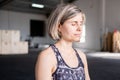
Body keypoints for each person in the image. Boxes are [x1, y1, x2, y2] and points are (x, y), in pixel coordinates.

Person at [35, 3, 90, 80]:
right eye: (73, 24)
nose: (80, 29)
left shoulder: (82, 56)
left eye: (81, 24)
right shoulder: (47, 57)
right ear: (59, 26)